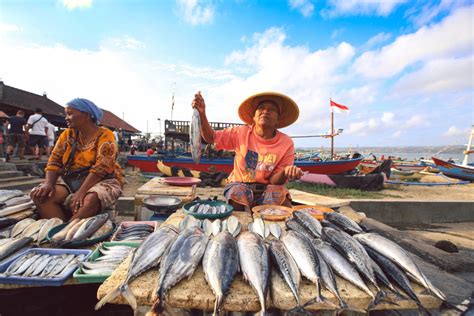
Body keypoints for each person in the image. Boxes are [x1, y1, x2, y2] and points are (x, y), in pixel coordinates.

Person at [192, 91, 303, 212]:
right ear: (254, 117)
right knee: (237, 192)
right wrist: (202, 113)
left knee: (280, 193)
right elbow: (210, 138)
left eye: (272, 109)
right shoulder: (240, 132)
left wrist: (285, 172)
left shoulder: (286, 143)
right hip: (239, 184)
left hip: (267, 187)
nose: (265, 111)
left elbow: (274, 181)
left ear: (278, 120)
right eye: (261, 108)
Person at [30, 98, 123, 221]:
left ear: (87, 115)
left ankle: (68, 232)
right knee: (42, 196)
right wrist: (49, 183)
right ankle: (57, 229)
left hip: (102, 180)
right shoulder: (68, 134)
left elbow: (102, 167)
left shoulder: (105, 135)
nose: (66, 118)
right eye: (66, 114)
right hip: (71, 180)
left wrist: (81, 192)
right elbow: (54, 160)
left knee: (89, 200)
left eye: (70, 113)